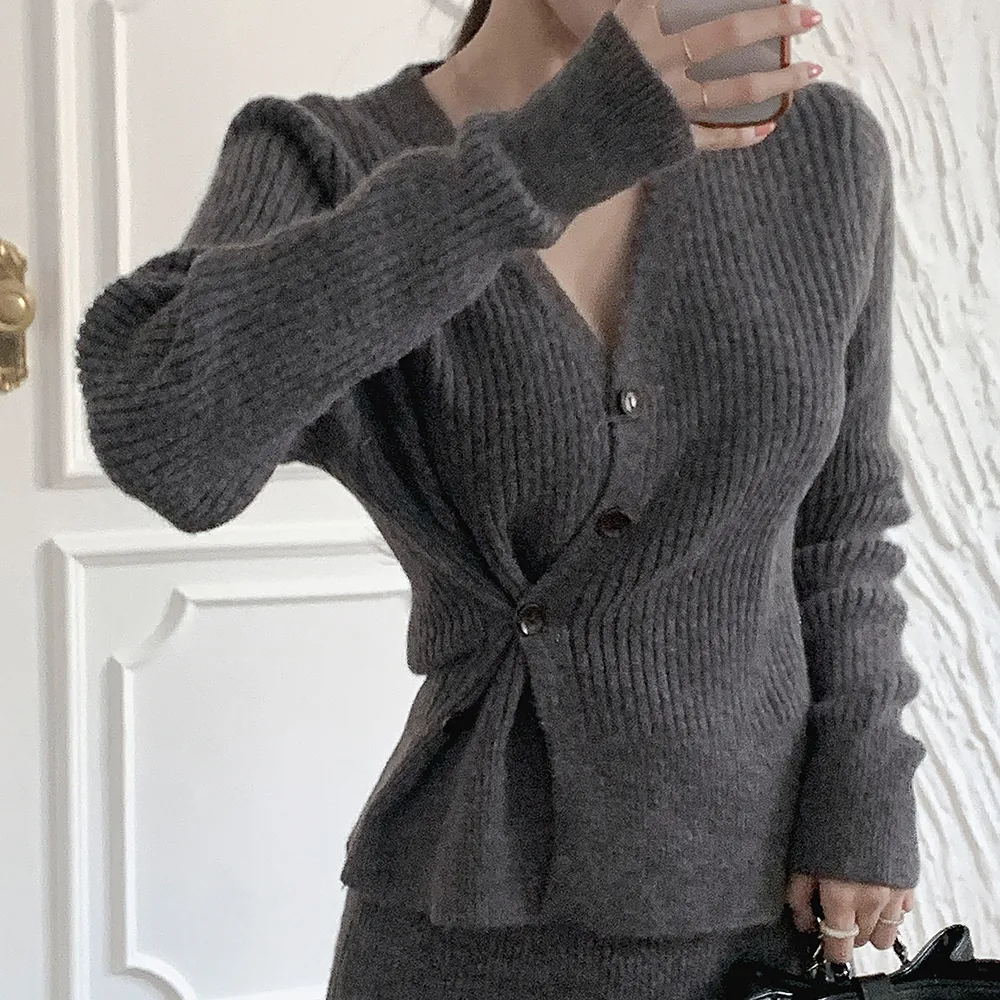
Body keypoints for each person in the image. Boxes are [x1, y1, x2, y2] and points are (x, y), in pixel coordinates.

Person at [75, 0, 927, 995]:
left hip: (768, 916)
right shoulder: (329, 158)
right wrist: (544, 156)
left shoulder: (819, 150)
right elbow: (162, 436)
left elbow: (843, 514)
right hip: (469, 927)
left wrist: (864, 772)